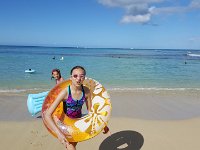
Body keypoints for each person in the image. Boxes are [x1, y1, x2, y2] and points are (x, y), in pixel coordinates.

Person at [45, 66, 109, 150]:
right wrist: (59, 133)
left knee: (73, 146)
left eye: (81, 76)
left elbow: (90, 111)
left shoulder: (86, 91)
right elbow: (47, 115)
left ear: (84, 78)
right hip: (64, 123)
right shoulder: (65, 93)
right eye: (75, 76)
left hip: (77, 121)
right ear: (71, 78)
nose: (78, 79)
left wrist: (102, 125)